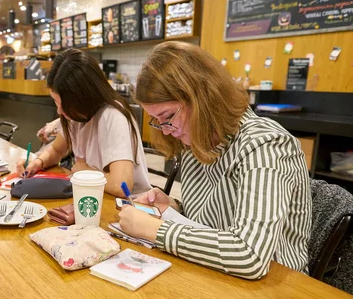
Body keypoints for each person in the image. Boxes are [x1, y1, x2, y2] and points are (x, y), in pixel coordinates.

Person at [118, 41, 311, 280]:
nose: (165, 130)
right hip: (216, 275)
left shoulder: (266, 146)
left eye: (168, 116)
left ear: (203, 98)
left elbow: (249, 255)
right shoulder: (196, 143)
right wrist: (173, 207)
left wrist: (155, 230)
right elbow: (212, 222)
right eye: (157, 120)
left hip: (278, 290)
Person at [16, 48, 150, 197]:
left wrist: (84, 171)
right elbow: (56, 151)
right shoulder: (76, 116)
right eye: (56, 102)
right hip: (96, 197)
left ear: (84, 97)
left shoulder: (113, 116)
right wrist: (38, 162)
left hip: (129, 205)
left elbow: (121, 185)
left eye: (64, 105)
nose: (60, 111)